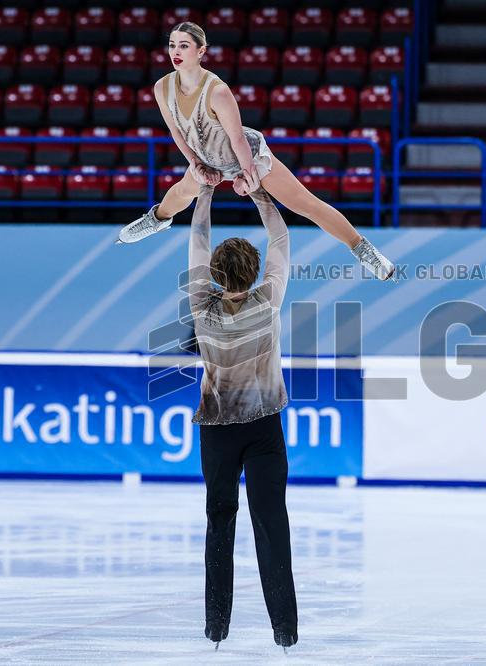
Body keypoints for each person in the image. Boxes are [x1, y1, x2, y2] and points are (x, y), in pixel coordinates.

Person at [117, 21, 396, 283]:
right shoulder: (162, 87)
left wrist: (248, 177)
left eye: (184, 46)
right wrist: (196, 163)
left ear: (201, 51)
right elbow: (177, 130)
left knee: (305, 204)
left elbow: (238, 139)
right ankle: (155, 221)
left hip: (246, 155)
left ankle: (364, 250)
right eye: (172, 45)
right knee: (180, 193)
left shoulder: (218, 91)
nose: (175, 52)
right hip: (207, 157)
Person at [177, 182, 298, 650]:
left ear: (215, 276)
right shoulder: (268, 302)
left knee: (219, 522)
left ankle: (216, 625)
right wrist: (262, 193)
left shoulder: (201, 308)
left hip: (216, 432)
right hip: (264, 429)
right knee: (272, 524)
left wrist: (204, 194)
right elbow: (282, 240)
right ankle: (284, 629)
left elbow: (197, 242)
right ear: (252, 273)